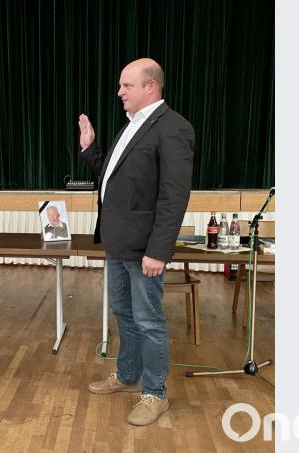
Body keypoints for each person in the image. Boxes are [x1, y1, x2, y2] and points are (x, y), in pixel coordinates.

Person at [78, 58, 194, 426]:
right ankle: (128, 376)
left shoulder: (173, 128)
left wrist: (158, 251)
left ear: (151, 87)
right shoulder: (131, 127)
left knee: (148, 321)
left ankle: (155, 393)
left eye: (126, 85)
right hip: (117, 244)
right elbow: (116, 179)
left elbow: (173, 197)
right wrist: (90, 149)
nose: (119, 92)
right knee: (124, 315)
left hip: (145, 249)